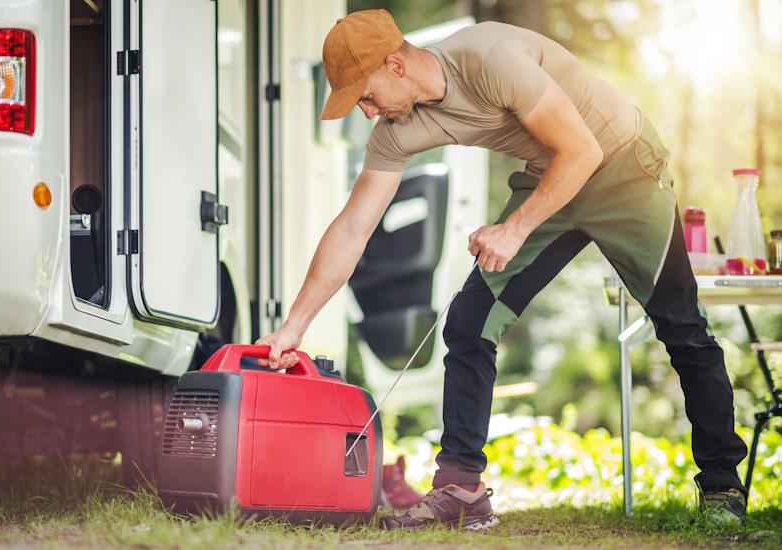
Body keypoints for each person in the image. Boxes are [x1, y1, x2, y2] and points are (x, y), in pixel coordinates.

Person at [255, 9, 748, 530]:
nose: (366, 110)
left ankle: (722, 486)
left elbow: (582, 150)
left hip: (622, 167)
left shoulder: (490, 58)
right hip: (550, 179)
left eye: (365, 94)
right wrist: (294, 326)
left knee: (682, 326)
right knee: (469, 323)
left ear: (395, 65)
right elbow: (353, 227)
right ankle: (460, 491)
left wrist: (513, 229)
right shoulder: (395, 131)